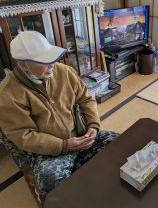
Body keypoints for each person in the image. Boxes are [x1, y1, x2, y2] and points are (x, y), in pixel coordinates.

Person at [0, 31, 119, 196]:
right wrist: (64, 146)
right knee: (51, 181)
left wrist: (93, 125)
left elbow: (86, 100)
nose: (53, 64)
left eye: (52, 58)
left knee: (120, 144)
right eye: (44, 61)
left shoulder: (64, 71)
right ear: (23, 64)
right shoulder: (7, 94)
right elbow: (23, 135)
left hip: (82, 135)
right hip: (49, 151)